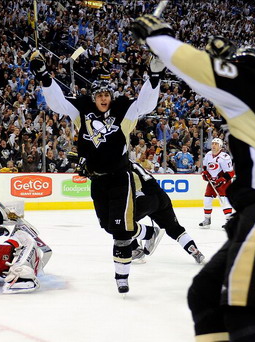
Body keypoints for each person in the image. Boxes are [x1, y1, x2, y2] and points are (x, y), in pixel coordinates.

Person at [131, 17, 255, 341]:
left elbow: (202, 70)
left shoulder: (250, 87)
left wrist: (159, 37)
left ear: (243, 69)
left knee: (246, 317)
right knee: (204, 293)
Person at [30, 50, 163, 294]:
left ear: (112, 97)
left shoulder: (124, 110)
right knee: (108, 226)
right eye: (100, 94)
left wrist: (154, 77)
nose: (104, 98)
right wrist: (43, 75)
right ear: (94, 97)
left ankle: (121, 278)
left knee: (121, 231)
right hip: (96, 180)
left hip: (121, 178)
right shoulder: (82, 111)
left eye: (107, 94)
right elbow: (56, 102)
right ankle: (148, 231)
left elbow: (146, 103)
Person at [130, 161, 205, 264]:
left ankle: (138, 245)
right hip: (162, 196)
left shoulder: (120, 164)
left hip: (144, 198)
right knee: (175, 229)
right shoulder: (133, 163)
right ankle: (195, 252)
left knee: (124, 222)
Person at [199, 138, 234, 229]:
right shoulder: (208, 155)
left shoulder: (225, 157)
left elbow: (231, 173)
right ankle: (207, 219)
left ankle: (229, 221)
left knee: (224, 201)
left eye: (216, 144)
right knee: (207, 200)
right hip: (212, 182)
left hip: (223, 182)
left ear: (220, 146)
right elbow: (205, 168)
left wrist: (222, 180)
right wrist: (205, 174)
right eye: (213, 143)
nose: (213, 145)